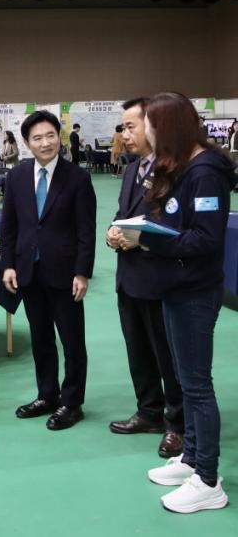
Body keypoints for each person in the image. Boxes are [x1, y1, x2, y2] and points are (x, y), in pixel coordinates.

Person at [118, 92, 236, 514]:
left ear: (166, 126)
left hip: (194, 291)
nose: (142, 132)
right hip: (174, 285)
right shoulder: (182, 166)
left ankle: (208, 479)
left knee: (197, 386)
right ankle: (192, 458)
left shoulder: (205, 172)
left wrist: (150, 241)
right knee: (186, 382)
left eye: (148, 124)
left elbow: (206, 238)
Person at [0, 110, 96, 430]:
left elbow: (86, 230)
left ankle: (72, 402)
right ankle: (47, 395)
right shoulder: (17, 177)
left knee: (72, 341)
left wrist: (82, 272)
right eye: (37, 138)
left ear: (59, 137)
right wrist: (8, 265)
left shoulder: (77, 178)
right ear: (27, 143)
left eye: (50, 135)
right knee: (40, 337)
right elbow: (9, 226)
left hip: (65, 273)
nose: (45, 143)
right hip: (29, 270)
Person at [106, 98, 184, 458]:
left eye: (131, 126)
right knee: (137, 350)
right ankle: (149, 411)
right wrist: (113, 232)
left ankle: (177, 424)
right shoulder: (132, 169)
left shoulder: (175, 170)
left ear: (154, 126)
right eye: (123, 127)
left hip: (159, 278)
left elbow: (175, 225)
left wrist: (141, 239)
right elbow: (124, 213)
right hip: (129, 277)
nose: (125, 134)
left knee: (167, 355)